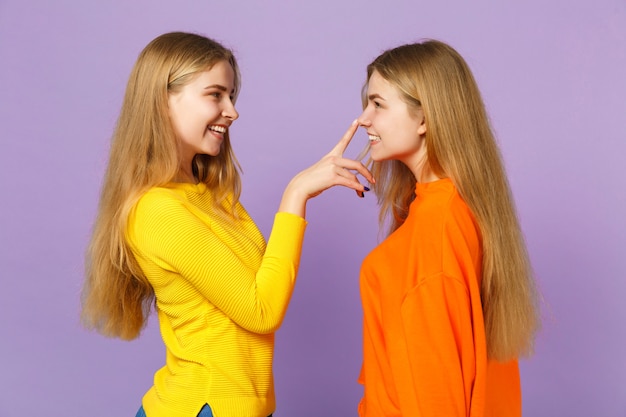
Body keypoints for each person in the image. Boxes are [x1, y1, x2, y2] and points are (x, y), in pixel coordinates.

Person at [80, 31, 372, 417]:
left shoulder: (209, 194)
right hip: (204, 407)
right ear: (162, 101)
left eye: (231, 96)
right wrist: (296, 194)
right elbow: (262, 310)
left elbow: (263, 284)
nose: (232, 111)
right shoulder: (157, 211)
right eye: (215, 95)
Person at [353, 40, 541, 416]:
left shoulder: (435, 231)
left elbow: (435, 399)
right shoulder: (455, 208)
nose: (363, 119)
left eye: (378, 104)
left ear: (424, 119)